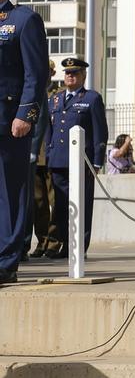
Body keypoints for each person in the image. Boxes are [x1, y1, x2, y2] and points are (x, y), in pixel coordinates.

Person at [0, 0, 49, 280]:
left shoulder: (23, 20)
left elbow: (36, 73)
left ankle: (6, 261)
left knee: (10, 191)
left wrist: (25, 115)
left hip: (9, 122)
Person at [45, 57, 107, 256]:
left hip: (82, 162)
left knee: (82, 205)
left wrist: (97, 162)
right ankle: (65, 244)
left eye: (75, 73)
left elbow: (100, 132)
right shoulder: (55, 99)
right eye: (67, 73)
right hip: (58, 161)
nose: (70, 76)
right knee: (61, 206)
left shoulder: (91, 99)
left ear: (83, 76)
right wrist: (49, 155)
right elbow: (49, 130)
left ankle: (79, 247)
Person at [23, 59, 56, 259]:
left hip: (52, 155)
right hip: (35, 156)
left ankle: (54, 243)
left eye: (49, 71)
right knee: (37, 203)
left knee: (55, 202)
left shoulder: (57, 96)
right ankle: (41, 242)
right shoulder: (31, 93)